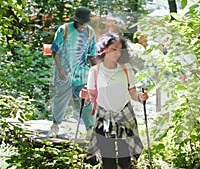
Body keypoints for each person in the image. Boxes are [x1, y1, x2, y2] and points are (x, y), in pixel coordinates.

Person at [80, 32, 149, 169]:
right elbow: (91, 97)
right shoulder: (94, 71)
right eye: (113, 49)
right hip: (104, 116)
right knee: (108, 161)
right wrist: (85, 96)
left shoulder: (126, 69)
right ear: (104, 49)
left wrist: (141, 98)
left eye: (120, 49)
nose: (117, 53)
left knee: (125, 160)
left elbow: (133, 93)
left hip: (125, 115)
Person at [47, 6, 97, 137]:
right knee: (61, 99)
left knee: (86, 100)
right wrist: (60, 70)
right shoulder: (64, 29)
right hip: (64, 72)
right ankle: (55, 125)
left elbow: (92, 55)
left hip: (81, 74)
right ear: (75, 20)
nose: (83, 25)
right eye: (80, 22)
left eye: (85, 23)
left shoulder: (90, 33)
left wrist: (97, 73)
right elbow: (55, 51)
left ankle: (90, 129)